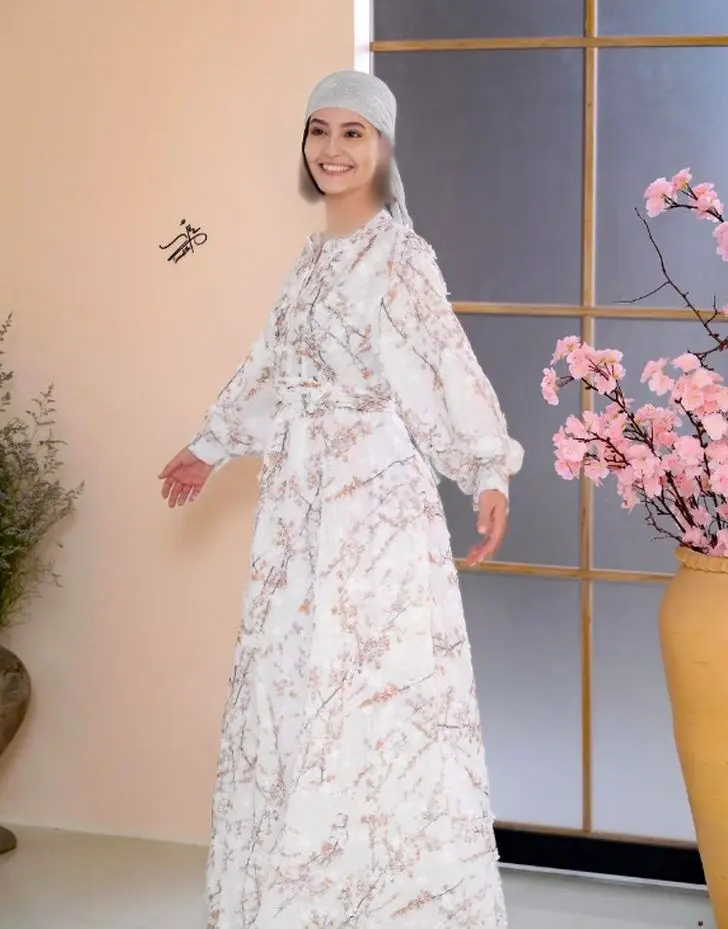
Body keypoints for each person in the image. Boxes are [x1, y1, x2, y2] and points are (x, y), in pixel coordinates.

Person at [159, 70, 523, 929]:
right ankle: (301, 900)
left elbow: (444, 365)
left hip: (374, 509)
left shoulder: (401, 258)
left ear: (384, 147)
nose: (332, 149)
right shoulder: (313, 258)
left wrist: (487, 470)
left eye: (352, 132)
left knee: (369, 694)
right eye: (318, 130)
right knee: (294, 689)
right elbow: (272, 365)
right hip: (298, 507)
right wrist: (209, 445)